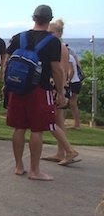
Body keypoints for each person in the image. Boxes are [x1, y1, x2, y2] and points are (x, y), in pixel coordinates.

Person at [5, 5, 67, 181]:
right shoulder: (53, 41)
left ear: (34, 18)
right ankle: (35, 170)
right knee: (37, 130)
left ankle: (18, 166)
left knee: (19, 128)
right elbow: (57, 69)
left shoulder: (19, 37)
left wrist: (6, 84)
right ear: (49, 20)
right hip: (40, 90)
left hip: (17, 89)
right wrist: (60, 92)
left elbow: (6, 62)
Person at [40, 19, 81, 166]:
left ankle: (68, 151)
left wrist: (59, 90)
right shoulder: (56, 47)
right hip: (59, 87)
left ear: (59, 33)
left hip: (59, 87)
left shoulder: (61, 48)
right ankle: (61, 152)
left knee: (52, 121)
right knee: (59, 121)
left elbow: (61, 70)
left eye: (52, 32)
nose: (49, 35)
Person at [66, 44, 83, 130]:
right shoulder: (71, 57)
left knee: (70, 103)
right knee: (72, 103)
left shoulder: (68, 57)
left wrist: (68, 80)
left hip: (73, 82)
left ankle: (76, 124)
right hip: (76, 81)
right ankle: (76, 124)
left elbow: (71, 70)